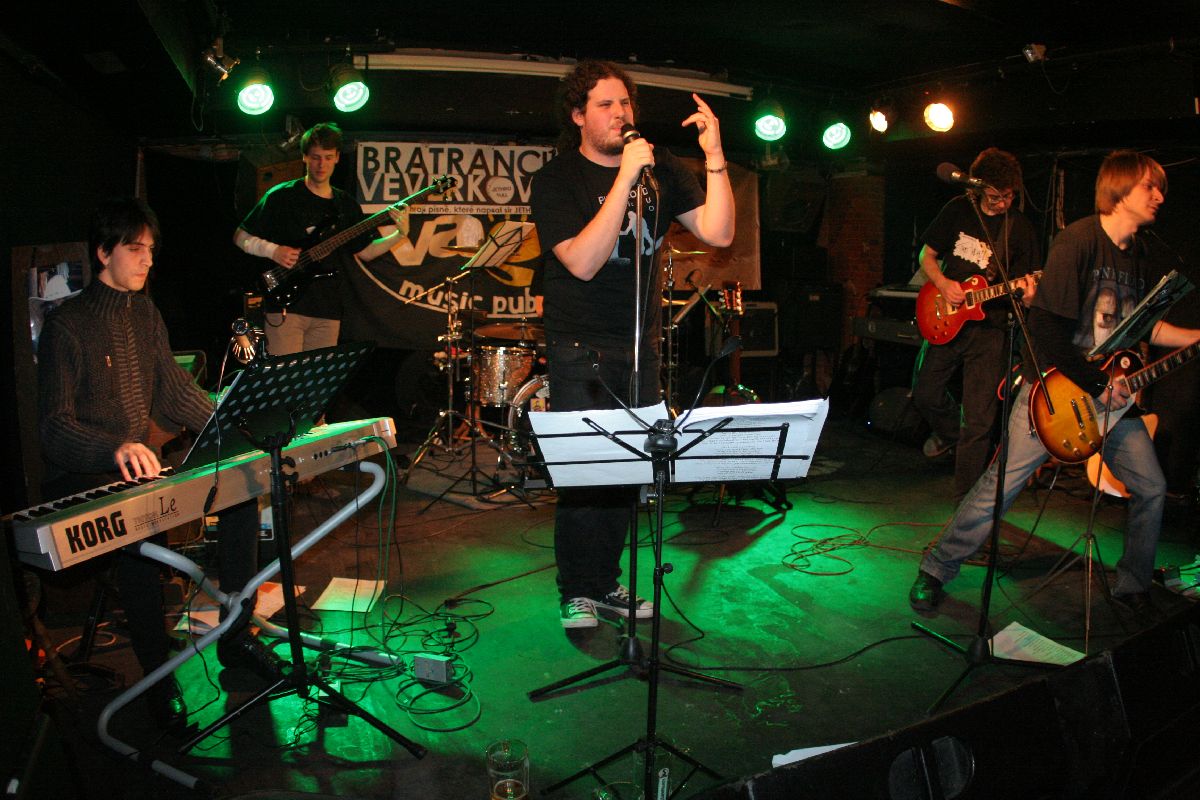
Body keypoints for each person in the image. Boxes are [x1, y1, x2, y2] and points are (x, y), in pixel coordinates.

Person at [909, 150, 1200, 619]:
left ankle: (1133, 585)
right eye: (1150, 186)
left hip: (1108, 397)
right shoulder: (1078, 241)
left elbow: (1142, 326)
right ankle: (937, 568)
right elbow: (1043, 325)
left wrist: (1193, 337)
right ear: (1120, 189)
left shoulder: (1140, 254)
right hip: (1054, 392)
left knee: (1151, 486)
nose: (1160, 196)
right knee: (999, 487)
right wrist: (1095, 383)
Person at [38, 197, 260, 730]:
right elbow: (54, 429)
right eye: (135, 249)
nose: (148, 260)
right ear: (103, 252)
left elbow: (177, 392)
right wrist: (114, 448)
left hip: (138, 468)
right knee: (141, 536)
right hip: (86, 471)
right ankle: (158, 678)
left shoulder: (145, 313)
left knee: (243, 488)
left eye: (151, 250)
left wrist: (241, 425)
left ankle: (236, 636)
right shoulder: (67, 326)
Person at [530, 60, 735, 628]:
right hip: (581, 345)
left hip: (641, 345)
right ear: (578, 116)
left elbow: (719, 232)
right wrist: (623, 179)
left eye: (625, 103)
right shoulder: (557, 179)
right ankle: (577, 588)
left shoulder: (661, 168)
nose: (620, 113)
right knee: (586, 477)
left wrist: (715, 156)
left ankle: (606, 582)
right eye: (605, 104)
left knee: (625, 474)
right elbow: (583, 262)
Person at [912, 148, 1042, 496]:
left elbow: (1028, 283)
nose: (1003, 203)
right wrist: (943, 284)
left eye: (1009, 196)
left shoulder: (1020, 228)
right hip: (945, 315)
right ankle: (955, 437)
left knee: (979, 422)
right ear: (978, 189)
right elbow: (927, 254)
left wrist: (1030, 296)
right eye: (996, 196)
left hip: (990, 331)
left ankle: (965, 506)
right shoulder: (958, 209)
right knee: (925, 393)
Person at [234, 121, 408, 356]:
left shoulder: (345, 204)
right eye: (316, 157)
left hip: (328, 309)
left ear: (337, 158)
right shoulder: (282, 196)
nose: (321, 164)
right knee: (287, 374)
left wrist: (400, 234)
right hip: (286, 305)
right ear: (305, 157)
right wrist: (272, 251)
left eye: (328, 157)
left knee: (317, 378)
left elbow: (366, 251)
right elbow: (240, 236)